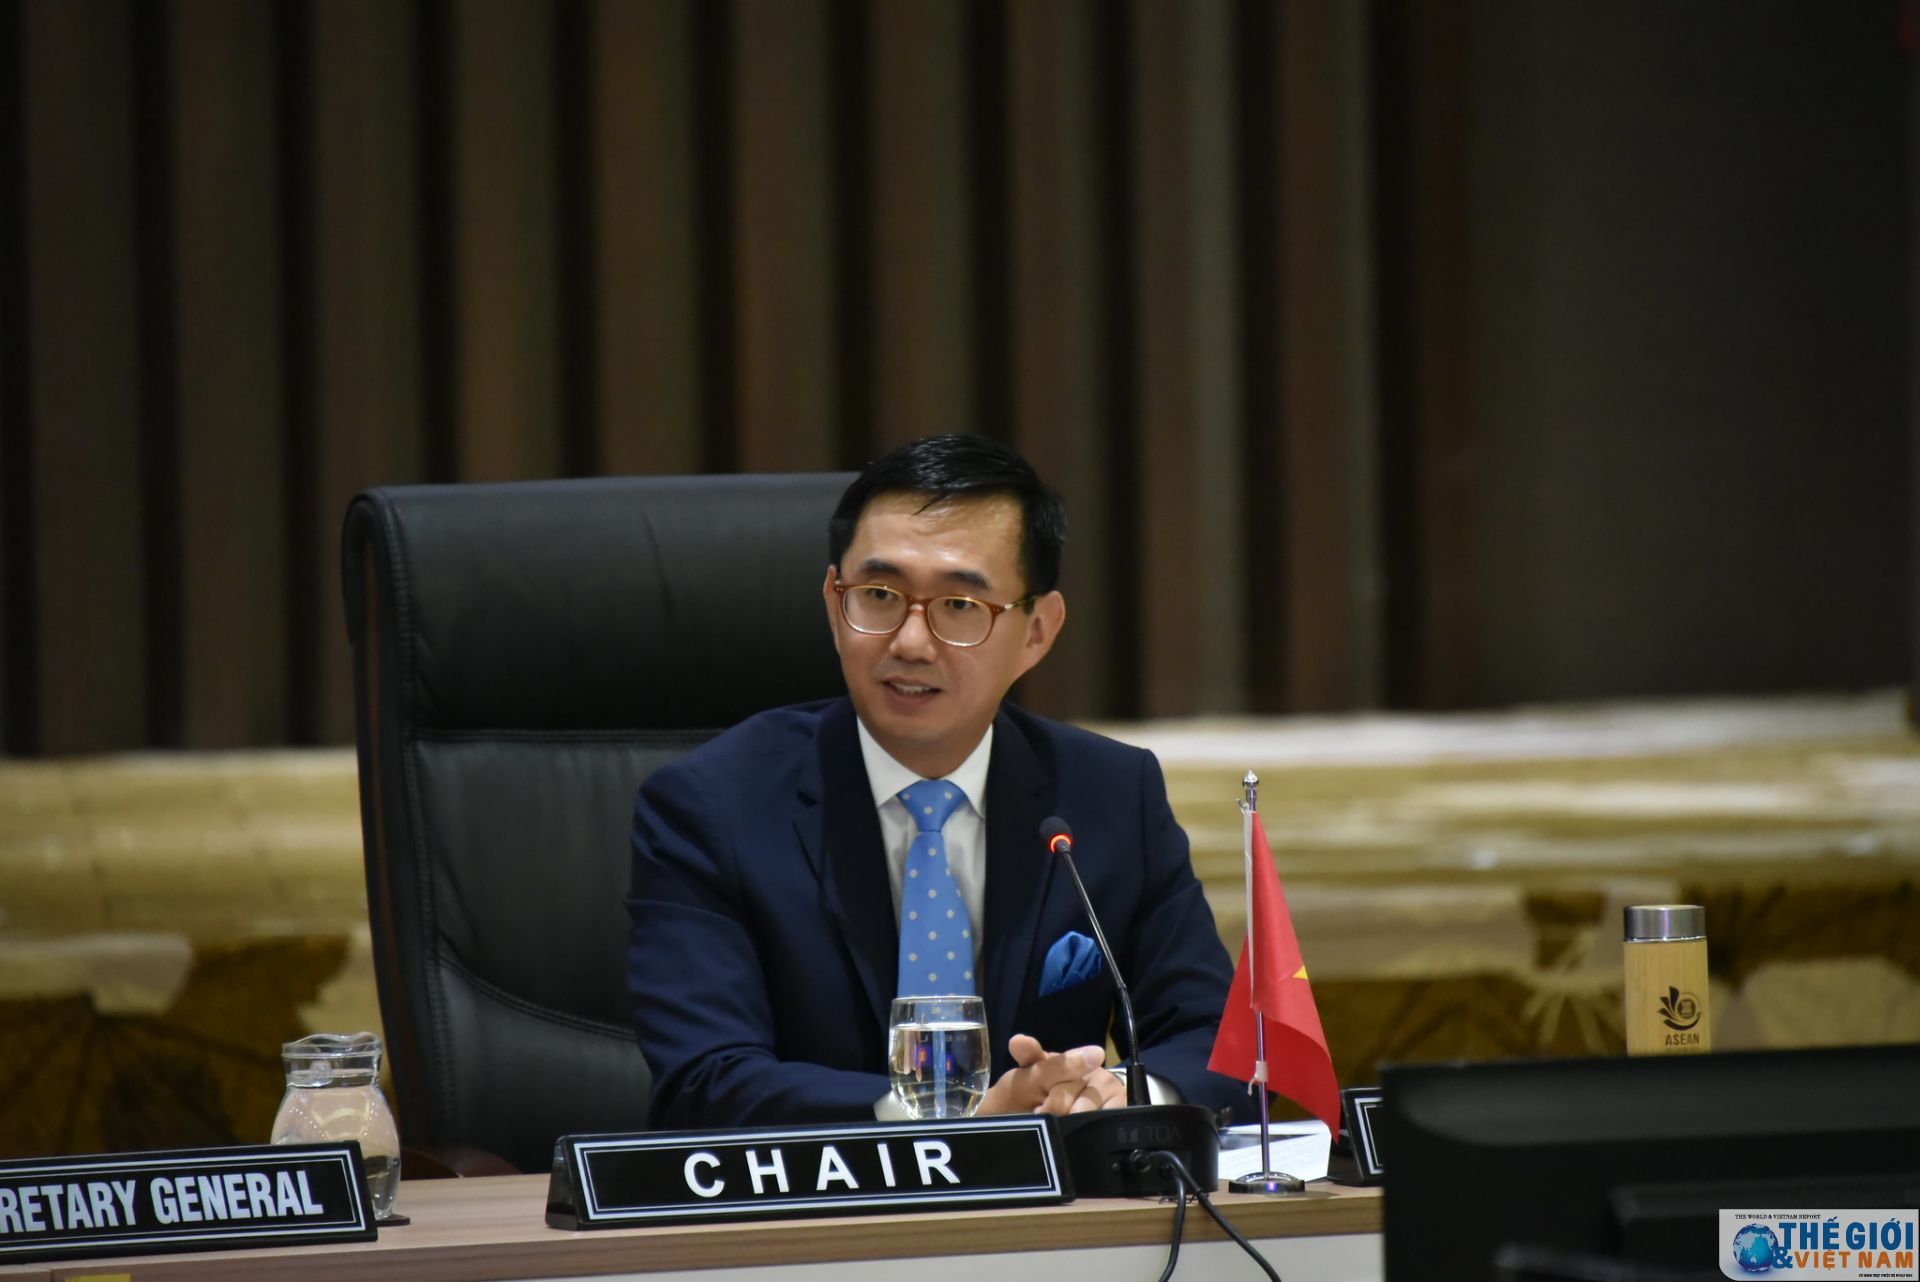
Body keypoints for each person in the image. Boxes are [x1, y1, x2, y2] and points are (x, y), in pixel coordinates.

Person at [627, 434, 1247, 1128]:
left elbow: (1222, 1043)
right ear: (833, 604)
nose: (911, 642)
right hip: (819, 1192)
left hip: (1049, 1197)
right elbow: (704, 1080)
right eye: (879, 595)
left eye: (959, 606)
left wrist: (1121, 1100)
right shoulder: (710, 807)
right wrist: (955, 1122)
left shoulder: (1108, 796)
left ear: (1037, 631)